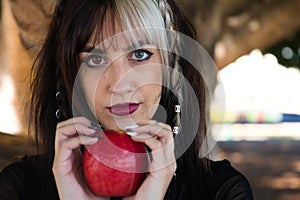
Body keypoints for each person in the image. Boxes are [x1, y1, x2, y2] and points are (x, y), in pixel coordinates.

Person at [0, 0, 254, 199]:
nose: (120, 84)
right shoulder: (18, 188)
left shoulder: (223, 191)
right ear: (69, 76)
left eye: (140, 54)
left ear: (171, 66)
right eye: (95, 59)